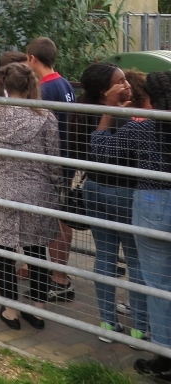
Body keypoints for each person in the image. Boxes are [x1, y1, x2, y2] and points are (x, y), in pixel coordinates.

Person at [0, 63, 62, 332]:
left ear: (3, 84)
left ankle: (11, 309)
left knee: (3, 251)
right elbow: (53, 161)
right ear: (31, 85)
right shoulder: (45, 117)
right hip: (37, 191)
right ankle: (37, 310)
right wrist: (57, 186)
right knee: (37, 250)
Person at [75, 63, 149, 343]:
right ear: (105, 90)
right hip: (126, 194)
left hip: (94, 189)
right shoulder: (125, 118)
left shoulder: (84, 113)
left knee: (105, 257)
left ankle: (108, 323)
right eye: (120, 82)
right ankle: (140, 328)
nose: (127, 84)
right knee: (136, 260)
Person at [125, 71, 171, 379]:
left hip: (153, 204)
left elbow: (102, 149)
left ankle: (165, 356)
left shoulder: (143, 127)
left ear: (149, 98)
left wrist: (105, 116)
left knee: (157, 283)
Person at [26, 36, 77, 302]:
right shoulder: (65, 83)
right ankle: (58, 274)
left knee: (55, 219)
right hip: (64, 160)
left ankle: (59, 279)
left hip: (51, 163)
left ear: (33, 59)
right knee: (59, 216)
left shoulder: (44, 88)